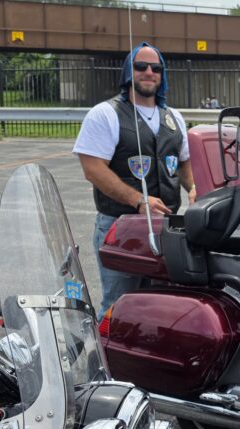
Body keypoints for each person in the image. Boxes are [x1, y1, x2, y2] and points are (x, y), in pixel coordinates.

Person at [73, 42, 196, 318]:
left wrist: (193, 187)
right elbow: (93, 168)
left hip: (167, 228)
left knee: (162, 306)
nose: (149, 72)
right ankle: (107, 346)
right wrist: (139, 201)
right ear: (129, 72)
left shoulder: (173, 117)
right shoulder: (106, 114)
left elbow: (184, 161)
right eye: (141, 66)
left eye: (156, 68)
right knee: (119, 305)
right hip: (120, 227)